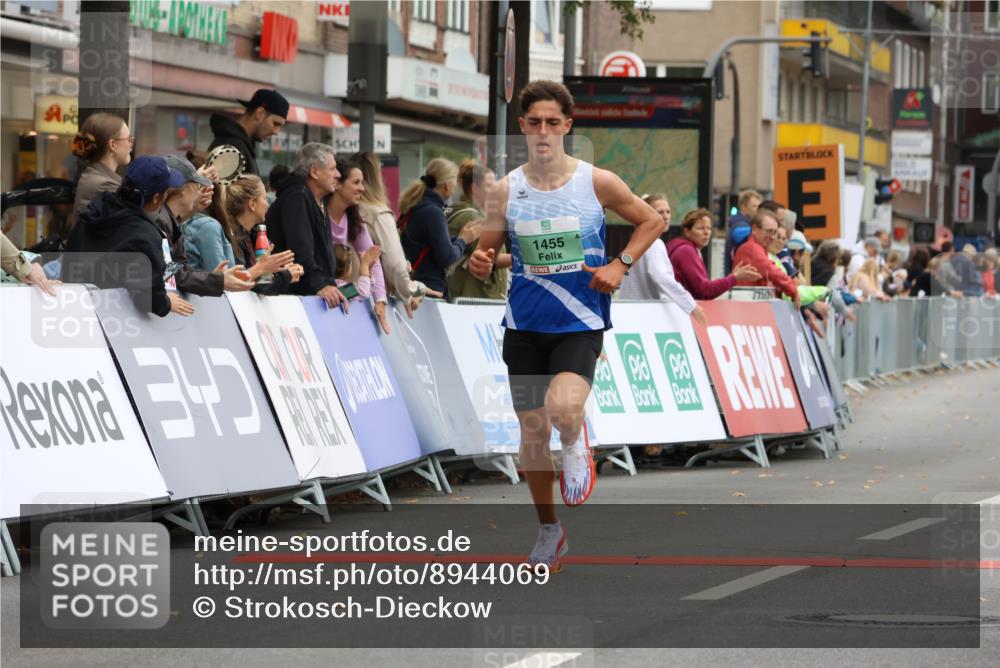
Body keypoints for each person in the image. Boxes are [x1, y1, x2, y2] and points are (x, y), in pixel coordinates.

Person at [467, 80, 665, 571]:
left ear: (568, 127)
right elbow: (489, 253)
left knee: (563, 410)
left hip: (579, 321)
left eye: (553, 122)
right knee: (532, 434)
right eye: (534, 122)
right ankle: (549, 531)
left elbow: (652, 222)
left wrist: (619, 264)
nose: (543, 131)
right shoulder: (505, 189)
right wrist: (479, 260)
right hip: (525, 325)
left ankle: (576, 441)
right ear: (522, 127)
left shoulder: (596, 181)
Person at [63, 156, 193, 317]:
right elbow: (150, 298)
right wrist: (167, 302)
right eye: (165, 192)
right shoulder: (145, 235)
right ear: (156, 198)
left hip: (71, 311)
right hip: (114, 325)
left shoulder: (95, 210)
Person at [352, 151, 441, 315]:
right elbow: (395, 265)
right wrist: (413, 290)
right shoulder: (378, 214)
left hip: (347, 295)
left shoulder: (347, 211)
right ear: (376, 177)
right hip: (371, 303)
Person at [156, 155, 253, 296]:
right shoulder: (160, 223)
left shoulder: (168, 222)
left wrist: (214, 278)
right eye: (196, 184)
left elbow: (178, 268)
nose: (198, 190)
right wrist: (217, 280)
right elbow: (168, 273)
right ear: (182, 190)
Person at [266, 143, 345, 309]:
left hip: (308, 296)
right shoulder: (296, 196)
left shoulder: (317, 198)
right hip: (293, 301)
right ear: (315, 172)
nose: (338, 175)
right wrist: (320, 285)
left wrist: (329, 285)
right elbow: (300, 251)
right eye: (332, 169)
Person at [400, 158, 480, 299]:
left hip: (415, 285)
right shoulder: (433, 212)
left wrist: (460, 237)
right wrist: (463, 240)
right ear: (447, 186)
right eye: (454, 185)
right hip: (429, 290)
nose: (454, 189)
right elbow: (447, 257)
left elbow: (430, 245)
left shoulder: (416, 206)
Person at [618, 197, 706, 325]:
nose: (665, 216)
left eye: (668, 212)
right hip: (645, 317)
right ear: (647, 214)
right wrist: (692, 306)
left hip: (631, 315)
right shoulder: (654, 243)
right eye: (660, 212)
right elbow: (662, 278)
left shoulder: (637, 240)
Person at [328, 159, 390, 332]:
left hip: (337, 295)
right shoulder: (318, 214)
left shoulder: (354, 221)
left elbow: (373, 259)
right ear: (338, 184)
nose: (362, 188)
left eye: (362, 183)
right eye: (356, 182)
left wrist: (380, 300)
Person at [216, 174, 302, 294]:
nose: (268, 204)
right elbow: (252, 285)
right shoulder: (232, 237)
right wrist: (286, 276)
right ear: (252, 204)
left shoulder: (253, 235)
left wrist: (283, 273)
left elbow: (259, 279)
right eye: (265, 199)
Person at [448, 160, 511, 301]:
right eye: (490, 185)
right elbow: (491, 257)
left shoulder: (460, 211)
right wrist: (523, 257)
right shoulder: (472, 217)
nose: (495, 189)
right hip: (478, 297)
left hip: (470, 296)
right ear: (475, 188)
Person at [667, 208, 760, 299]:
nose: (706, 232)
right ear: (687, 232)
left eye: (709, 228)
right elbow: (705, 290)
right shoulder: (686, 251)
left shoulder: (690, 250)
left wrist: (732, 277)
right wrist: (734, 278)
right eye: (700, 228)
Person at [208, 89, 288, 177]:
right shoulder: (232, 147)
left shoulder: (240, 145)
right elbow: (217, 189)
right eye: (275, 123)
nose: (276, 132)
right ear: (259, 113)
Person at [732, 209, 800, 305]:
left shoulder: (756, 247)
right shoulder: (753, 248)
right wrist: (793, 290)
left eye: (774, 232)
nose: (772, 237)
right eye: (769, 231)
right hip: (748, 309)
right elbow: (771, 271)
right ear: (755, 229)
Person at [72, 112, 132, 213]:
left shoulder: (93, 175)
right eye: (128, 139)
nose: (130, 145)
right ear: (113, 145)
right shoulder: (106, 186)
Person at [811, 240, 855, 321]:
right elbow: (833, 295)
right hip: (821, 314)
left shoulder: (810, 263)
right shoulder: (829, 273)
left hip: (807, 311)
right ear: (834, 257)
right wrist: (845, 311)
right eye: (838, 258)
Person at [724, 188, 762, 274]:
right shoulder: (739, 225)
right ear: (743, 207)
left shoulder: (745, 224)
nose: (758, 210)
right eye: (754, 206)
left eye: (759, 206)